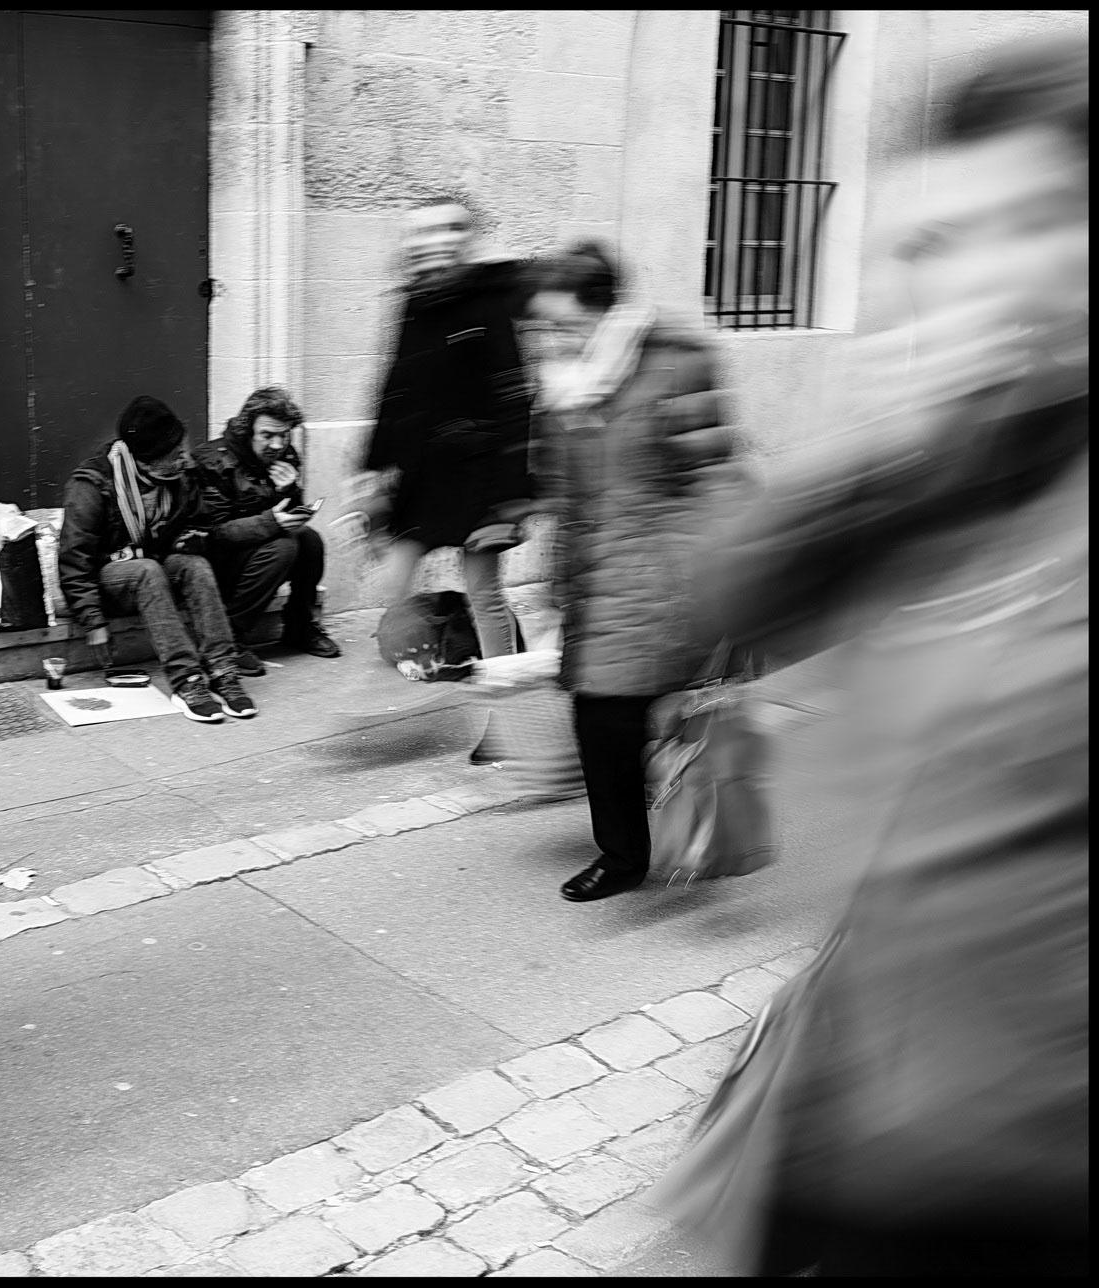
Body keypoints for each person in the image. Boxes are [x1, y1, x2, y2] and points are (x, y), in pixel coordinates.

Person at [654, 34, 1088, 1277]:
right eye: (944, 243)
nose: (975, 276)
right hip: (890, 1114)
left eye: (1029, 222)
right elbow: (739, 589)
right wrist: (928, 442)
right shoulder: (986, 460)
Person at [520, 241, 746, 902]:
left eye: (564, 323)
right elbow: (562, 488)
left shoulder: (675, 364)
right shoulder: (566, 379)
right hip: (598, 575)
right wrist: (556, 577)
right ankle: (649, 824)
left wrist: (718, 578)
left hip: (660, 574)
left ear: (606, 310)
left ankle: (625, 855)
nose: (552, 338)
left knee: (605, 713)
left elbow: (712, 475)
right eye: (544, 326)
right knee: (613, 714)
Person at [353, 196, 536, 668]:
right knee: (391, 582)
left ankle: (505, 681)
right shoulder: (413, 302)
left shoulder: (489, 301)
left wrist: (508, 501)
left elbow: (515, 399)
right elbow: (393, 387)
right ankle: (414, 656)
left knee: (485, 592)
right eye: (426, 231)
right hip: (422, 476)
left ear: (467, 239)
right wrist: (369, 468)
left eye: (451, 229)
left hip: (480, 480)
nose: (438, 241)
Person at [57, 396, 257, 722]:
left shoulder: (179, 477)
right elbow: (74, 558)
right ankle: (187, 681)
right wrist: (92, 620)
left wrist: (195, 539)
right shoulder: (92, 485)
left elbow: (202, 521)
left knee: (195, 566)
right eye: (175, 455)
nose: (185, 459)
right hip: (112, 579)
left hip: (159, 566)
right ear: (147, 461)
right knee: (146, 570)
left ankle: (223, 669)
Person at [190, 386, 341, 676]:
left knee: (309, 540)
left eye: (283, 435)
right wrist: (271, 522)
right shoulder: (212, 461)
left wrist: (289, 491)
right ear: (248, 430)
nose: (276, 444)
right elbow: (215, 533)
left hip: (259, 557)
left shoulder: (284, 456)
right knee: (284, 546)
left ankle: (299, 625)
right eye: (267, 435)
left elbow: (290, 515)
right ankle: (228, 639)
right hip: (217, 564)